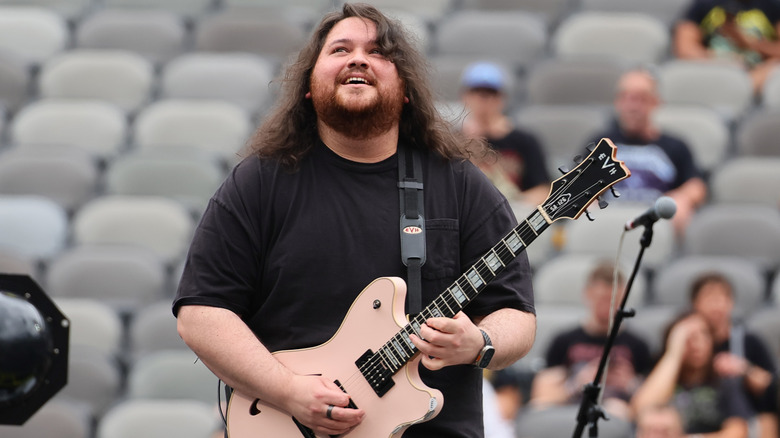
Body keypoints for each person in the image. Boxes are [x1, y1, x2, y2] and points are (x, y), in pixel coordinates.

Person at [173, 3, 537, 438]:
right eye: (340, 49)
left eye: (378, 51)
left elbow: (515, 313)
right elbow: (200, 312)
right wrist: (288, 391)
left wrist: (479, 344)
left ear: (405, 88)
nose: (358, 58)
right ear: (310, 85)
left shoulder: (460, 184)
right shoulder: (260, 182)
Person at [590, 68, 707, 236]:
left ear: (656, 102)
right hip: (610, 218)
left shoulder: (675, 145)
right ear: (617, 102)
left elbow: (696, 187)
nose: (632, 106)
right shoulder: (601, 143)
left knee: (681, 205)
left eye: (640, 99)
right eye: (626, 98)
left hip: (655, 219)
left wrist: (678, 197)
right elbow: (578, 185)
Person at [528, 262, 652, 420]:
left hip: (618, 412)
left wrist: (630, 384)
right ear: (588, 294)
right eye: (602, 299)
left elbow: (652, 399)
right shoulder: (564, 340)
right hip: (571, 408)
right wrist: (579, 382)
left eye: (613, 300)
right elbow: (541, 394)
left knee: (617, 409)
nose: (608, 306)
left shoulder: (637, 345)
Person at [631, 312, 753, 437]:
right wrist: (673, 354)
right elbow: (640, 411)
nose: (697, 344)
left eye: (704, 334)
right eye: (689, 337)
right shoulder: (660, 379)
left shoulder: (724, 382)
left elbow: (738, 432)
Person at [689, 272, 778, 437]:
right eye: (709, 298)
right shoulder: (688, 342)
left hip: (745, 422)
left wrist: (745, 369)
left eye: (722, 298)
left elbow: (771, 388)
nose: (716, 305)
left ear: (731, 303)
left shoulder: (749, 341)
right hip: (696, 417)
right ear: (695, 304)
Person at [459, 61, 551, 206]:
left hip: (513, 216)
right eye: (477, 93)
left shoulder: (524, 141)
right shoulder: (454, 140)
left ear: (501, 99)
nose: (484, 99)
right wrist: (472, 142)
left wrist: (508, 207)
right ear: (465, 97)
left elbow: (542, 191)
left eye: (491, 93)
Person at [674, 0, 780, 93]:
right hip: (715, 71)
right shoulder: (704, 4)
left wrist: (750, 44)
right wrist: (723, 61)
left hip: (756, 73)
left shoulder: (772, 5)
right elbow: (684, 48)